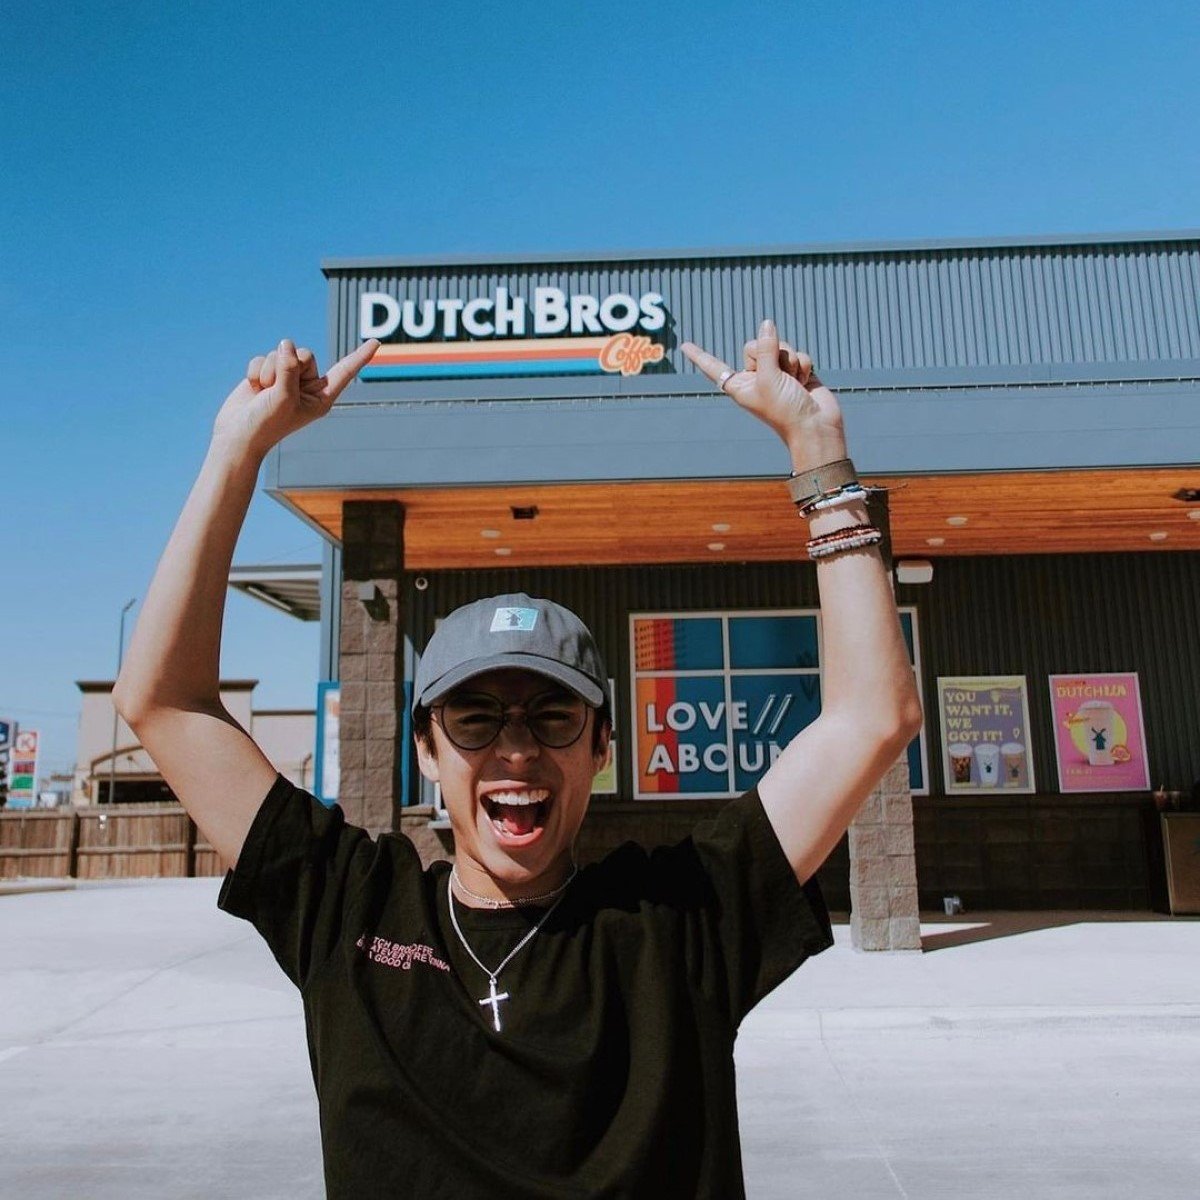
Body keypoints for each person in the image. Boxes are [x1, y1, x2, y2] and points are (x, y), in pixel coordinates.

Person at [114, 321, 922, 1198]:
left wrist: (818, 447)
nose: (514, 748)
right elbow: (162, 704)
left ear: (603, 747)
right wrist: (236, 449)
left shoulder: (680, 918)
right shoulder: (344, 906)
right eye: (474, 717)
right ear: (425, 749)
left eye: (552, 715)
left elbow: (870, 717)